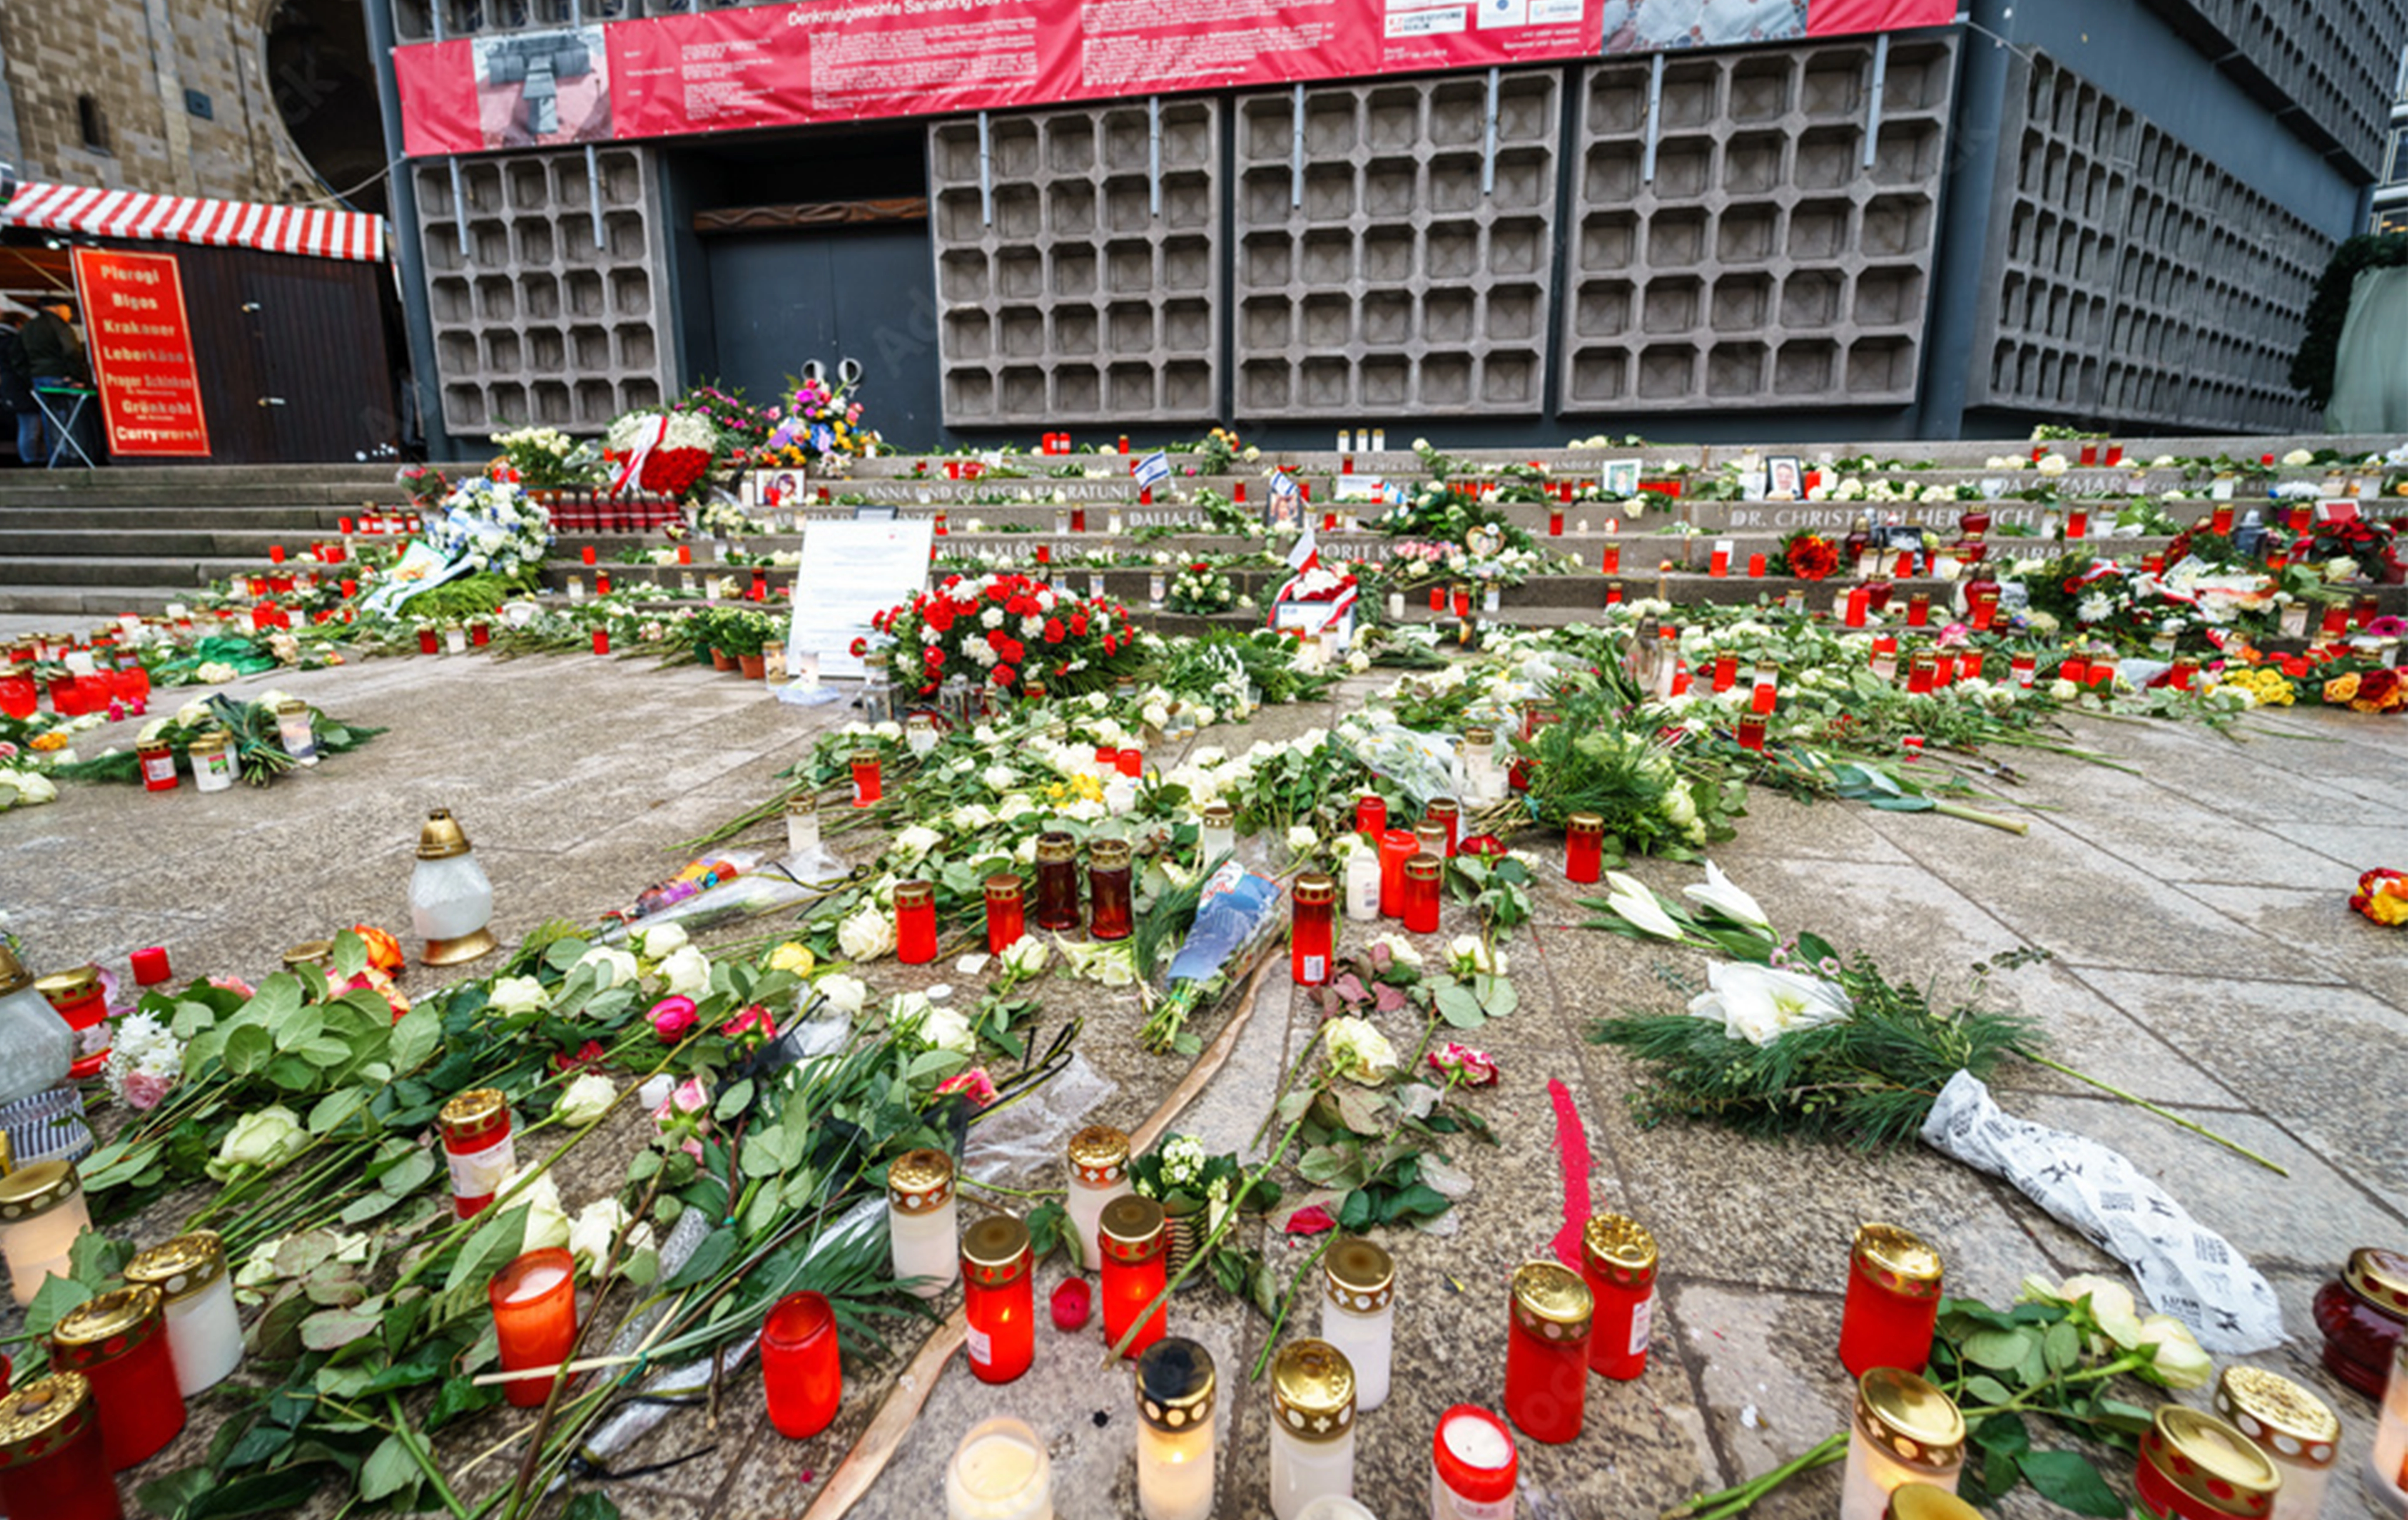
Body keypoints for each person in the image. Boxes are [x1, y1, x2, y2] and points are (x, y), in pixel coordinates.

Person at [18, 299, 94, 466]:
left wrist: (29, 375)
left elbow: (18, 355)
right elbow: (72, 351)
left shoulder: (28, 327)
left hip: (38, 377)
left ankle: (56, 457)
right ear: (59, 309)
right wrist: (77, 377)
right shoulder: (60, 327)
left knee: (49, 419)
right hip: (61, 377)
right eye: (68, 310)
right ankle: (70, 456)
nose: (70, 315)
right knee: (67, 419)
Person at [0, 305, 38, 466]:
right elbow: (20, 367)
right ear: (18, 325)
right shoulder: (13, 341)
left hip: (9, 389)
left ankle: (29, 458)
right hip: (19, 388)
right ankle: (30, 460)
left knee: (26, 423)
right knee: (29, 424)